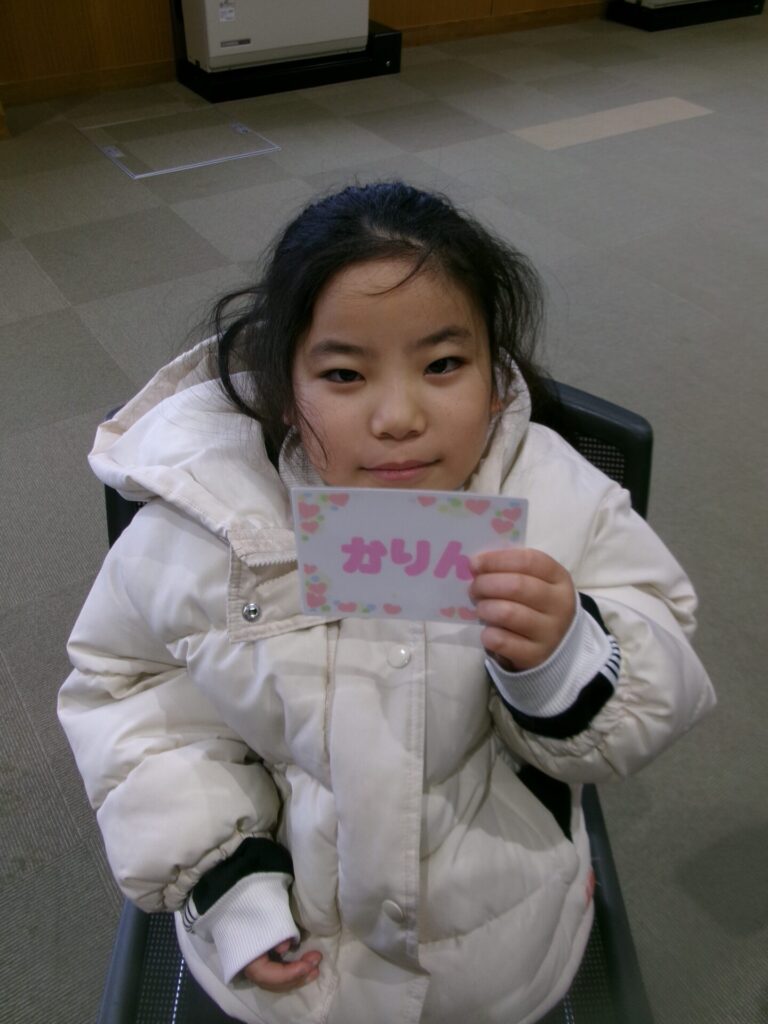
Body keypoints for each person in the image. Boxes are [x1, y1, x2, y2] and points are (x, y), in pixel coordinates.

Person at [59, 181, 715, 1024]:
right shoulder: (208, 522)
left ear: (494, 372)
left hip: (498, 950)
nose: (399, 416)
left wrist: (567, 658)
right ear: (284, 384)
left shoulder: (559, 499)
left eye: (443, 365)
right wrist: (223, 877)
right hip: (286, 945)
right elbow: (129, 693)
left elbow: (663, 662)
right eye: (343, 373)